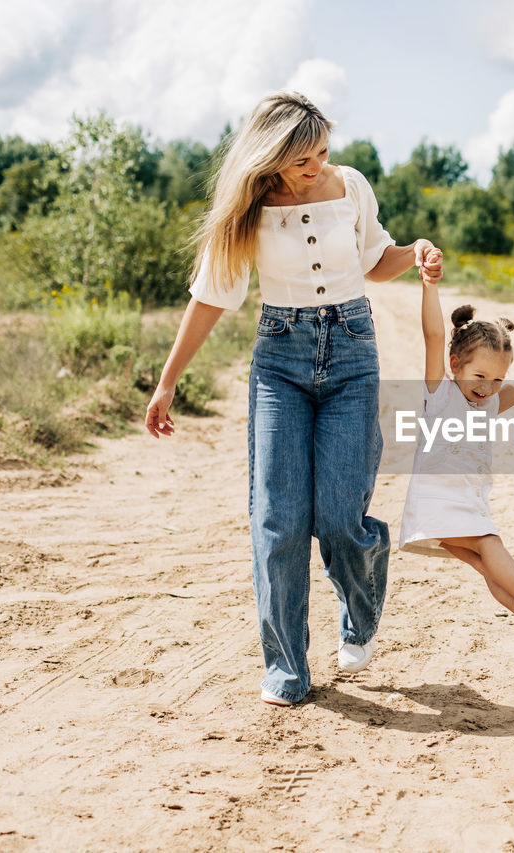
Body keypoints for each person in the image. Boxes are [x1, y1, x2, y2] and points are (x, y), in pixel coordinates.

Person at [143, 91, 443, 707]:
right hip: (278, 360)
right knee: (278, 519)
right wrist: (168, 381)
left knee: (339, 514)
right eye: (302, 158)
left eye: (323, 152)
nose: (316, 167)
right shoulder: (245, 211)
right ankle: (286, 667)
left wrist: (416, 255)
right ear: (270, 155)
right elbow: (210, 297)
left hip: (353, 354)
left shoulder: (350, 186)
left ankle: (360, 601)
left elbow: (375, 260)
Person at [398, 275, 514, 641]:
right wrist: (429, 286)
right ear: (455, 364)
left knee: (487, 565)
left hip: (468, 501)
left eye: (497, 380)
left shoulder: (490, 403)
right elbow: (434, 335)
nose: (487, 387)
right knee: (489, 544)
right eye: (479, 376)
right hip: (439, 500)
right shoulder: (440, 394)